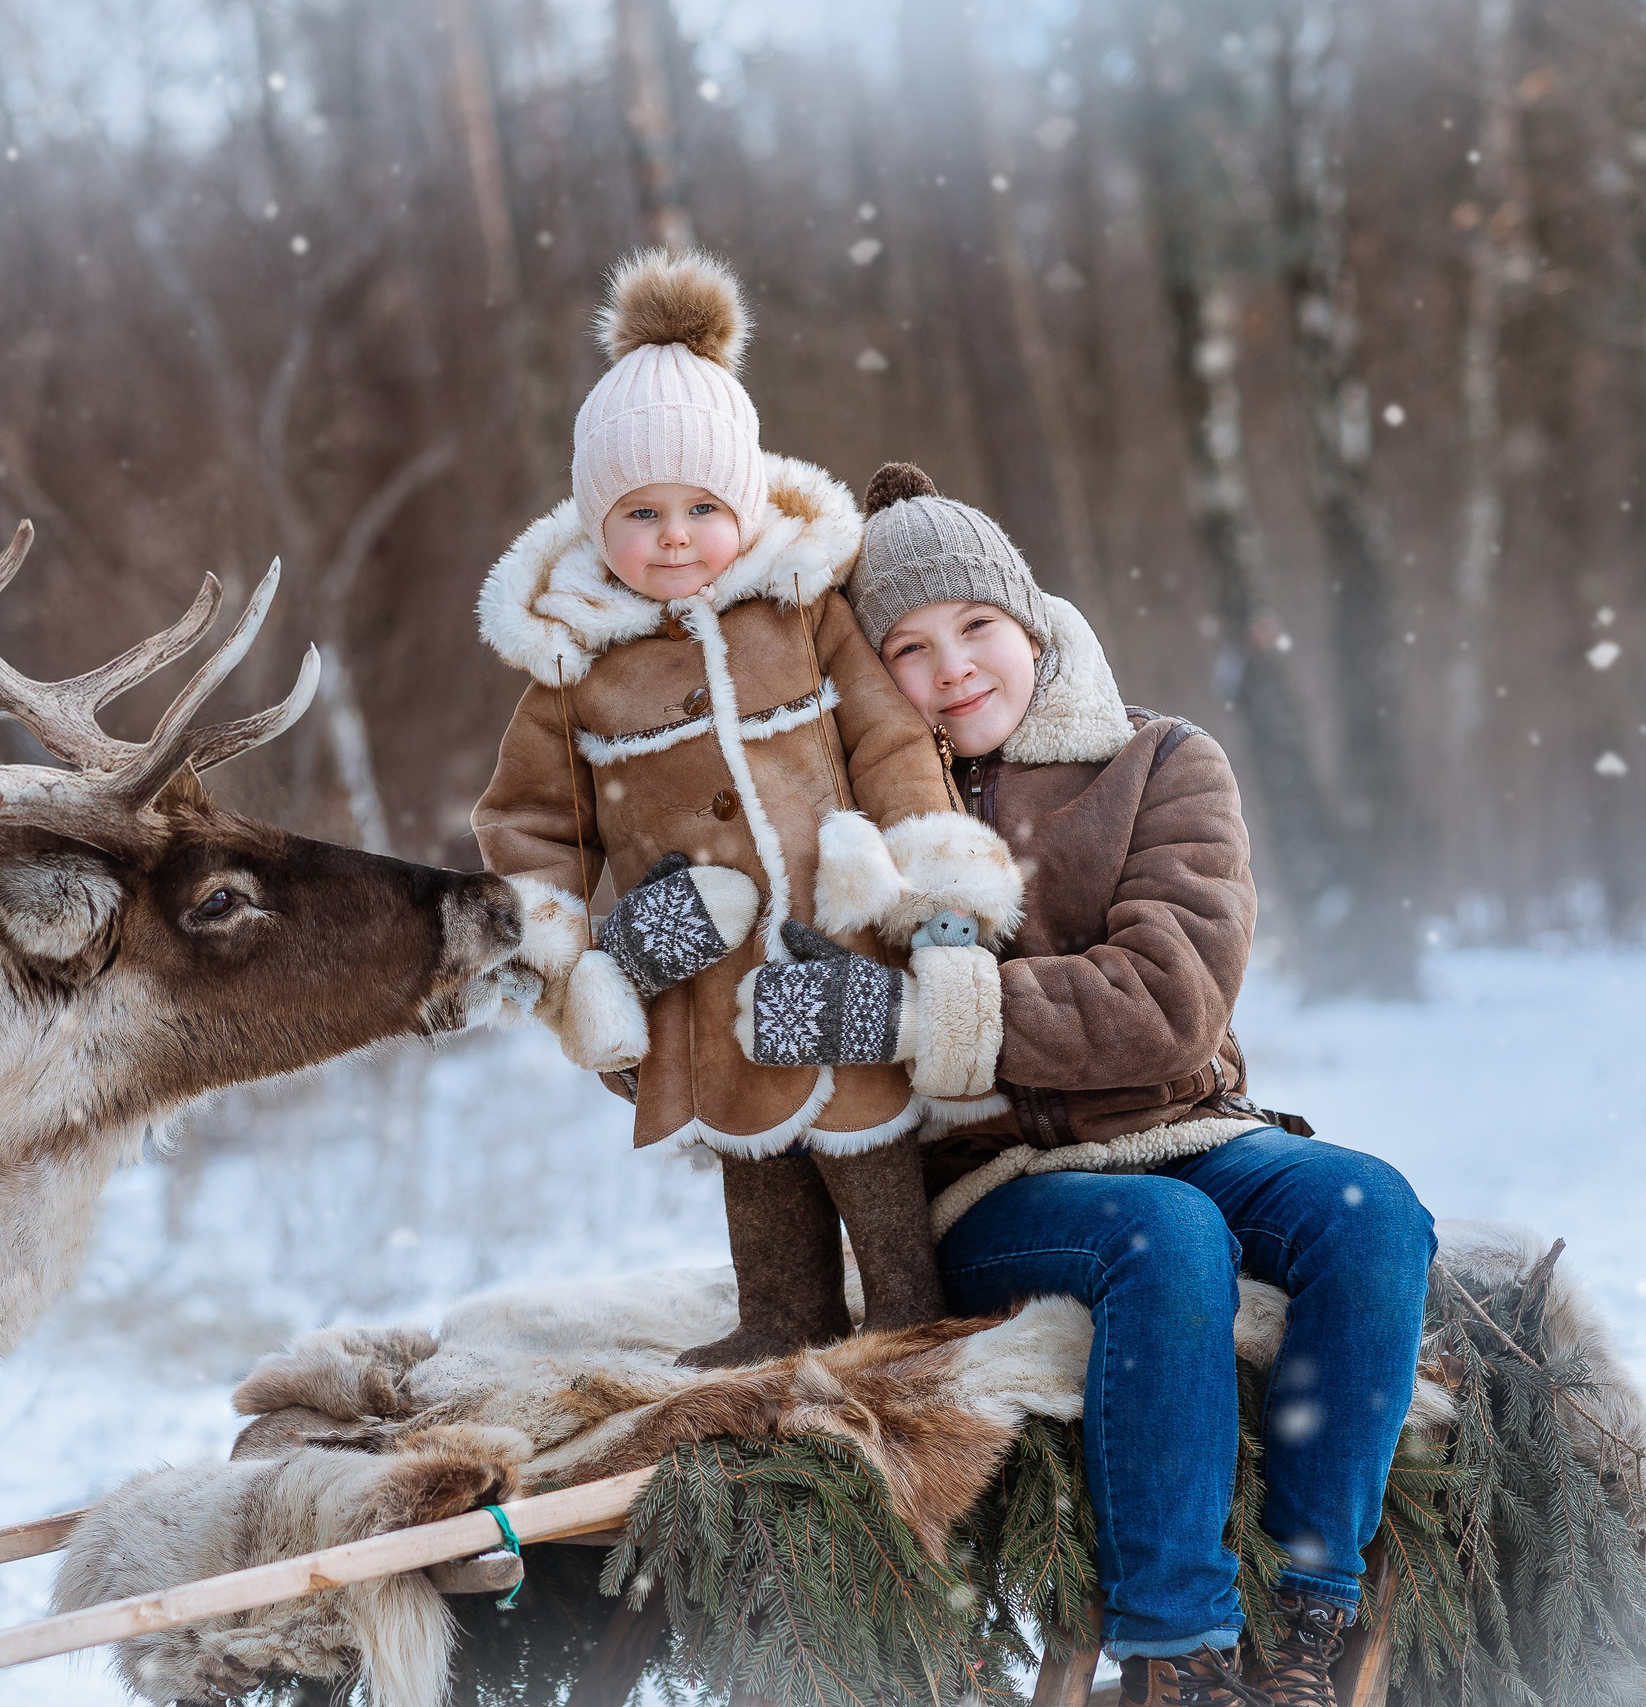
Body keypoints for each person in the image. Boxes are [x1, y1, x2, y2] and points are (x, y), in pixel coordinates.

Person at [745, 462, 1438, 1707]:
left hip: (1191, 1126)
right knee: (1161, 1239)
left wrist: (914, 1011)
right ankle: (1177, 1651)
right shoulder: (853, 829)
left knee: (1369, 1209)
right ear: (868, 675)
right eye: (905, 648)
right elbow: (747, 1033)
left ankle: (1308, 1614)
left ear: (1029, 621)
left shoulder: (1161, 763)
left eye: (975, 627)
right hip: (990, 1186)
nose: (953, 667)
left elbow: (1167, 1006)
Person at [471, 258, 1022, 1369]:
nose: (674, 537)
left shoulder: (803, 613)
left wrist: (928, 871)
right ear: (595, 520)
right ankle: (781, 1312)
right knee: (753, 1151)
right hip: (697, 963)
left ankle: (907, 1309)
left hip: (836, 938)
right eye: (641, 514)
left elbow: (886, 737)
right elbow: (529, 823)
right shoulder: (578, 670)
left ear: (747, 504)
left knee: (866, 1137)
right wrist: (570, 958)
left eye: (701, 509)